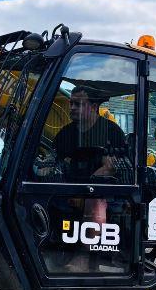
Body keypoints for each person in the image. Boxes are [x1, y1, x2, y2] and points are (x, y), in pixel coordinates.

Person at [53, 85, 128, 223]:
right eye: (71, 103)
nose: (72, 108)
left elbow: (109, 168)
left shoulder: (112, 132)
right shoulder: (64, 134)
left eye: (78, 104)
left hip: (104, 194)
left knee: (95, 205)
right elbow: (55, 162)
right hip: (69, 192)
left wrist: (83, 193)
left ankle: (91, 242)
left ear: (93, 107)